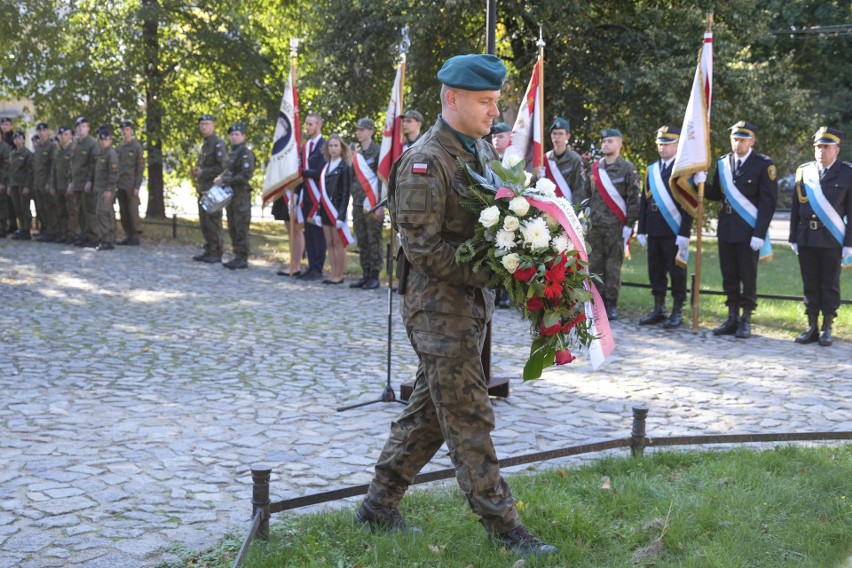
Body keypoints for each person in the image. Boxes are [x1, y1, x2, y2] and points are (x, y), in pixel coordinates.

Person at [356, 53, 558, 559]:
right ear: (453, 99)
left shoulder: (479, 153)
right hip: (438, 312)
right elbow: (424, 250)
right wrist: (496, 271)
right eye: (486, 102)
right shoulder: (426, 161)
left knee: (427, 414)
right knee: (470, 415)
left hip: (468, 308)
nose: (495, 111)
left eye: (495, 101)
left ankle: (378, 507)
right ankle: (505, 527)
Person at [705, 121, 778, 339]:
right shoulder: (723, 163)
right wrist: (700, 183)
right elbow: (717, 195)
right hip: (726, 228)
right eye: (735, 139)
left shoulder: (763, 165)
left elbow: (768, 203)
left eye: (743, 140)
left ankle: (746, 318)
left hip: (749, 230)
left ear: (752, 141)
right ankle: (732, 316)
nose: (738, 143)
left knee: (748, 275)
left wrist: (759, 233)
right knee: (729, 274)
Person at [789, 127, 852, 347]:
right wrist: (792, 236)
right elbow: (796, 207)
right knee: (810, 283)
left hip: (831, 239)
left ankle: (827, 326)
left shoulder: (847, 173)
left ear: (836, 149)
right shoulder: (804, 171)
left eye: (826, 147)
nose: (821, 151)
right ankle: (812, 326)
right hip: (806, 236)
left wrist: (849, 243)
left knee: (829, 283)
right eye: (818, 146)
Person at [574, 128, 640, 320]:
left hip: (616, 227)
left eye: (610, 141)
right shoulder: (594, 169)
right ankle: (596, 301)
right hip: (594, 226)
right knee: (594, 265)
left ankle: (611, 304)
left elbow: (633, 199)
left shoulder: (627, 169)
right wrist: (580, 218)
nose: (605, 144)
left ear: (619, 143)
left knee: (613, 267)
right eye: (603, 141)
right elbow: (584, 195)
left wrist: (630, 224)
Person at [637, 126, 693, 328]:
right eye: (660, 144)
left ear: (677, 145)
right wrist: (641, 228)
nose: (663, 148)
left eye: (667, 144)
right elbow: (644, 201)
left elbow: (688, 205)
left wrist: (685, 232)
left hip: (674, 230)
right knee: (655, 270)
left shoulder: (683, 170)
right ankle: (658, 308)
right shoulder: (651, 169)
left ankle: (677, 310)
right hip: (654, 228)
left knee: (676, 272)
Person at [215, 122, 256, 270]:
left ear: (243, 136)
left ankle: (242, 256)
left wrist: (225, 180)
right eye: (232, 134)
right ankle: (236, 253)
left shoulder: (246, 154)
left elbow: (245, 176)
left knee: (241, 226)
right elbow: (226, 170)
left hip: (241, 196)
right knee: (232, 225)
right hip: (230, 195)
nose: (234, 137)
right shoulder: (230, 153)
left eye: (237, 134)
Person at [350, 117, 383, 289]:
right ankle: (365, 274)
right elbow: (353, 178)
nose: (358, 132)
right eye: (358, 129)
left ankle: (375, 276)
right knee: (362, 239)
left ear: (370, 131)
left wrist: (380, 206)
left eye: (362, 130)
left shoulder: (378, 152)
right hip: (357, 203)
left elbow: (381, 180)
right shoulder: (356, 153)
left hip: (373, 203)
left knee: (373, 240)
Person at [191, 113, 228, 263]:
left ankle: (216, 251)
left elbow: (222, 166)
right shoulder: (204, 144)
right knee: (204, 221)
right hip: (204, 187)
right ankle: (209, 248)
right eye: (202, 124)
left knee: (213, 221)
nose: (204, 126)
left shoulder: (217, 143)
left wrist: (204, 172)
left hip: (213, 188)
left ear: (213, 125)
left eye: (207, 124)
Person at [296, 112, 327, 280]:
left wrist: (300, 172)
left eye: (311, 124)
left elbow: (320, 171)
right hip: (306, 196)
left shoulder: (325, 145)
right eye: (306, 124)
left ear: (319, 125)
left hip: (319, 197)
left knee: (318, 233)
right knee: (308, 233)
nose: (307, 127)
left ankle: (318, 268)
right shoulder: (305, 146)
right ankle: (310, 266)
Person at [317, 133, 352, 284]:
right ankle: (332, 273)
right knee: (329, 242)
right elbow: (322, 191)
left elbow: (346, 193)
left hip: (337, 210)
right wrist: (318, 212)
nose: (333, 148)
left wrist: (341, 215)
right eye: (330, 146)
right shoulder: (325, 167)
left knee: (339, 243)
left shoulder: (345, 167)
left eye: (336, 146)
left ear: (341, 148)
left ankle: (340, 275)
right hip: (325, 209)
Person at [69, 117, 100, 248]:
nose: (80, 129)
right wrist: (71, 181)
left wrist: (90, 181)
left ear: (88, 128)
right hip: (77, 182)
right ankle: (84, 234)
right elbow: (72, 164)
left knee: (89, 210)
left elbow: (94, 164)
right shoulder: (75, 143)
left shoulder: (92, 143)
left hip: (86, 182)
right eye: (79, 126)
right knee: (80, 210)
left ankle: (93, 236)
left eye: (83, 126)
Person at [116, 120, 145, 246]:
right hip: (120, 183)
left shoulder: (136, 147)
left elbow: (140, 167)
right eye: (122, 130)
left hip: (131, 184)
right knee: (123, 211)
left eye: (127, 129)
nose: (124, 132)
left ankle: (135, 235)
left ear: (131, 131)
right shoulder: (119, 147)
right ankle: (128, 234)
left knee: (133, 211)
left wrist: (137, 185)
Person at [544, 117, 585, 203]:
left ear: (567, 136)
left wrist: (574, 212)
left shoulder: (575, 159)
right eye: (554, 134)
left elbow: (579, 188)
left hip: (567, 208)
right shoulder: (545, 159)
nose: (557, 137)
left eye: (560, 134)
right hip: (549, 206)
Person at [92, 127, 119, 250]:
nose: (103, 142)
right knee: (102, 213)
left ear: (110, 140)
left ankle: (107, 240)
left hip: (107, 189)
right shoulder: (102, 153)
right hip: (100, 188)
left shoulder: (111, 154)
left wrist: (109, 189)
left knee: (102, 213)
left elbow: (113, 173)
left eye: (106, 139)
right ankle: (105, 238)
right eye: (101, 140)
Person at [33, 122, 59, 242]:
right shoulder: (38, 147)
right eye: (39, 131)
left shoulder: (51, 146)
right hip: (38, 182)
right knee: (41, 208)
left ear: (48, 132)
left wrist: (50, 182)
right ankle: (45, 229)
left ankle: (53, 231)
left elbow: (53, 166)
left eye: (44, 131)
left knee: (50, 208)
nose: (42, 133)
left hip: (46, 182)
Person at [8, 130, 34, 240]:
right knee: (17, 208)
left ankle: (27, 230)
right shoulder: (12, 153)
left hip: (23, 185)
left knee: (25, 208)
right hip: (14, 184)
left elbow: (30, 171)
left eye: (19, 138)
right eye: (15, 138)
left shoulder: (27, 154)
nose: (17, 140)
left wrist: (27, 185)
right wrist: (9, 185)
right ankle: (22, 228)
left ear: (23, 140)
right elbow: (11, 170)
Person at [52, 126, 74, 243]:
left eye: (66, 134)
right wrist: (52, 185)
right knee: (61, 211)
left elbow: (75, 169)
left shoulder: (73, 149)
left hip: (68, 185)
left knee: (71, 211)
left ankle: (73, 234)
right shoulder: (58, 151)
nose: (63, 137)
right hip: (59, 185)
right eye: (61, 135)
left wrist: (72, 183)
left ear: (70, 135)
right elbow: (54, 170)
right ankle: (64, 233)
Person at [0, 127, 11, 237]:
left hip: (1, 180)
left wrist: (3, 182)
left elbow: (6, 166)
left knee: (2, 205)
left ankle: (3, 228)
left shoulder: (4, 147)